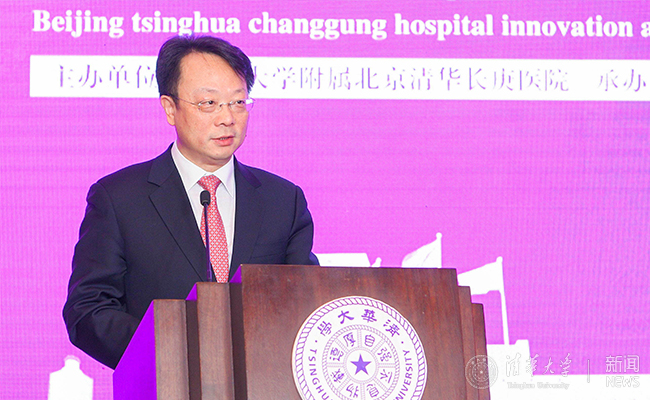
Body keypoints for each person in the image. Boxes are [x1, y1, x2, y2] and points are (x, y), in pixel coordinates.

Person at [63, 35, 318, 369]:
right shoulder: (119, 198)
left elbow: (305, 305)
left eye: (238, 102)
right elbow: (88, 310)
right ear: (170, 108)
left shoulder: (283, 200)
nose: (227, 118)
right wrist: (172, 349)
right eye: (209, 103)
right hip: (161, 381)